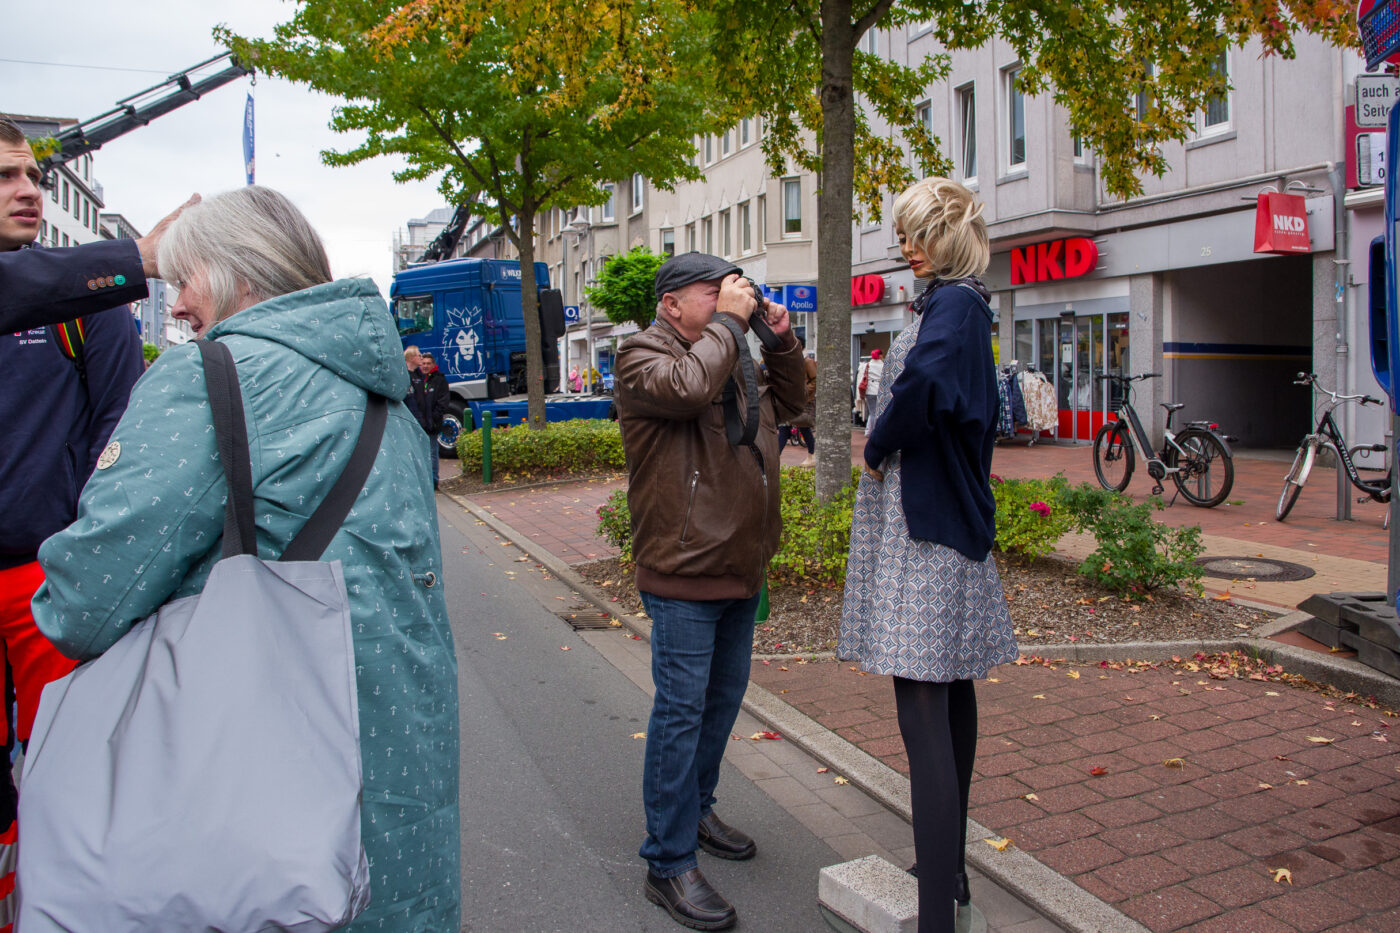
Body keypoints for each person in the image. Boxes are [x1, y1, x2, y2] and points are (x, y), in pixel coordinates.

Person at [30, 186, 460, 932]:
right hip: (400, 779)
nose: (175, 300)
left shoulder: (207, 378)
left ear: (240, 272)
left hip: (262, 800)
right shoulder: (383, 392)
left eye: (184, 275)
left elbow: (84, 601)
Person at [838, 178, 1018, 933]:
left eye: (918, 234)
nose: (906, 247)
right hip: (941, 520)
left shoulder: (952, 305)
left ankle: (935, 912)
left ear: (947, 236)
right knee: (949, 694)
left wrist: (876, 444)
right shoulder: (963, 303)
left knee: (921, 706)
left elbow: (925, 384)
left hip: (927, 526)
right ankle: (948, 874)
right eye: (904, 234)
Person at [614, 251, 806, 931]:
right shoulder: (643, 354)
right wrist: (731, 323)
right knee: (681, 711)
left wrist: (778, 339)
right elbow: (691, 390)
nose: (735, 297)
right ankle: (666, 860)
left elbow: (798, 402)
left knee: (720, 705)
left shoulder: (732, 350)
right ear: (671, 303)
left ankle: (695, 810)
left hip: (740, 560)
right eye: (715, 290)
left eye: (738, 288)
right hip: (685, 566)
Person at [0, 119, 147, 905]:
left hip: (40, 580)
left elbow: (115, 439)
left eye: (31, 176)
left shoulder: (89, 305)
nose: (27, 191)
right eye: (4, 178)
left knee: (66, 771)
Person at [0, 118, 196, 332]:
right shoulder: (89, 286)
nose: (32, 191)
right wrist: (140, 257)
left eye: (33, 177)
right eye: (3, 175)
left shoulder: (96, 297)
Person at [776, 335, 817, 466]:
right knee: (784, 428)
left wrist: (804, 391)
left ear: (800, 346)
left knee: (803, 427)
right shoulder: (791, 359)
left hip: (802, 400)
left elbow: (816, 380)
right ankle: (775, 458)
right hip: (790, 400)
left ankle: (813, 455)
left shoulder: (807, 361)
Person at [416, 351, 450, 487]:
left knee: (432, 452)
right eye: (423, 363)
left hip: (432, 423)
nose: (425, 366)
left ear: (433, 365)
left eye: (428, 364)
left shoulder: (439, 380)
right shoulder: (417, 379)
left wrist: (434, 417)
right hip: (420, 422)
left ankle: (433, 481)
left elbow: (443, 402)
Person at [862, 347, 884, 434]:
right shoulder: (883, 365)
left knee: (872, 412)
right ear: (880, 355)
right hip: (879, 390)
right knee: (878, 412)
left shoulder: (868, 365)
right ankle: (875, 431)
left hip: (869, 390)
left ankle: (868, 431)